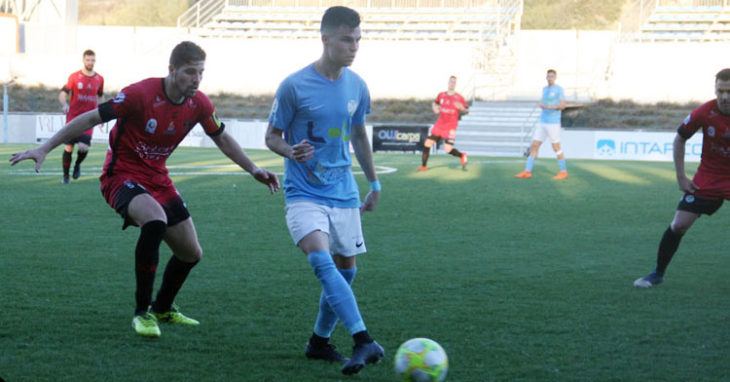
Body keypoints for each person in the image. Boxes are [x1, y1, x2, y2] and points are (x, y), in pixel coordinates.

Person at [10, 41, 280, 337]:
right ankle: (142, 313)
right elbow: (90, 117)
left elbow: (222, 138)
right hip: (120, 174)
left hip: (157, 178)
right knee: (155, 220)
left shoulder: (200, 103)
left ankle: (163, 308)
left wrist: (253, 168)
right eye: (190, 72)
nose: (196, 79)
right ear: (172, 70)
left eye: (201, 73)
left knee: (191, 253)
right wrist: (46, 147)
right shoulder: (140, 94)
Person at [264, 6, 384, 376]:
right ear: (326, 39)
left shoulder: (357, 85)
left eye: (358, 40)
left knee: (347, 271)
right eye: (347, 39)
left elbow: (359, 134)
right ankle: (363, 339)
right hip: (304, 192)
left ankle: (319, 342)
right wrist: (289, 151)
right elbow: (272, 136)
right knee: (321, 260)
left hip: (344, 192)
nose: (354, 46)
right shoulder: (294, 86)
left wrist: (374, 182)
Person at [634, 68, 730, 288]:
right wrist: (681, 177)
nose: (725, 96)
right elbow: (679, 140)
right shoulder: (705, 112)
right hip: (709, 177)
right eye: (720, 91)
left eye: (729, 91)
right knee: (678, 226)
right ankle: (657, 274)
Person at [58, 49, 104, 184]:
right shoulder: (74, 77)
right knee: (68, 147)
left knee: (84, 147)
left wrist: (102, 114)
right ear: (83, 60)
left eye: (93, 60)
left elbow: (100, 96)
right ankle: (66, 176)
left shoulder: (99, 79)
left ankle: (77, 164)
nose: (90, 62)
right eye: (88, 60)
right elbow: (63, 93)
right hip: (73, 117)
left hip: (89, 119)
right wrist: (64, 104)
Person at [515, 69, 568, 179]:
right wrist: (544, 106)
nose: (550, 78)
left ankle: (563, 171)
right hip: (543, 121)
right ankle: (527, 171)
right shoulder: (544, 89)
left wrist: (548, 107)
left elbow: (562, 106)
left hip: (553, 123)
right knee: (534, 145)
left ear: (555, 77)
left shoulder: (559, 89)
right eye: (548, 76)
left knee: (556, 147)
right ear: (546, 77)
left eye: (552, 76)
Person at [417, 75, 469, 171]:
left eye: (454, 82)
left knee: (447, 149)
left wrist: (461, 108)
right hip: (440, 124)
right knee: (427, 143)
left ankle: (462, 155)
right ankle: (424, 166)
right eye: (451, 81)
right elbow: (435, 103)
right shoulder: (441, 95)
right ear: (448, 83)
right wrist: (435, 108)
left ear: (455, 84)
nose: (452, 83)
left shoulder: (459, 97)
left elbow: (467, 110)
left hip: (451, 127)